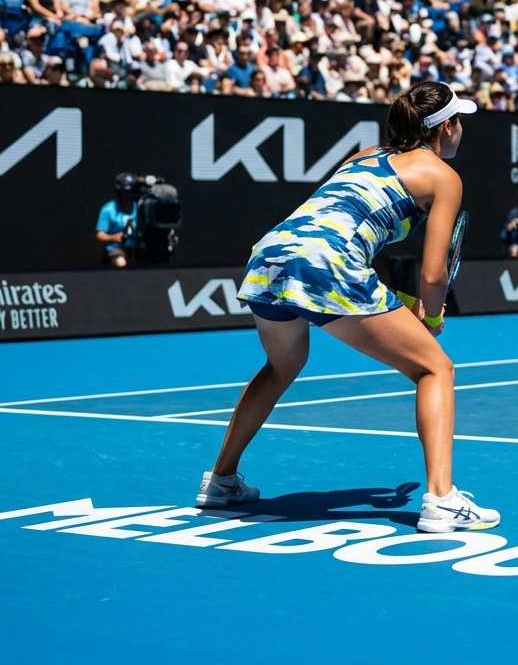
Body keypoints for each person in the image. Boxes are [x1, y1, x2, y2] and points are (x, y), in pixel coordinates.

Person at [197, 81, 499, 534]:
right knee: (435, 368)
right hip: (327, 261)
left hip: (272, 254)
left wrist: (405, 305)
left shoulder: (363, 155)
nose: (463, 130)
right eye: (461, 121)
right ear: (446, 126)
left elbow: (340, 229)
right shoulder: (442, 176)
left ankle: (220, 482)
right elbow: (434, 276)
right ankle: (442, 499)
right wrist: (432, 316)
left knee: (282, 366)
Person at [95, 173, 139, 267]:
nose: (128, 196)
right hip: (117, 248)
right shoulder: (108, 209)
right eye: (126, 192)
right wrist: (114, 237)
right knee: (121, 263)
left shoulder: (140, 207)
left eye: (131, 192)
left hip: (138, 247)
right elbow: (100, 235)